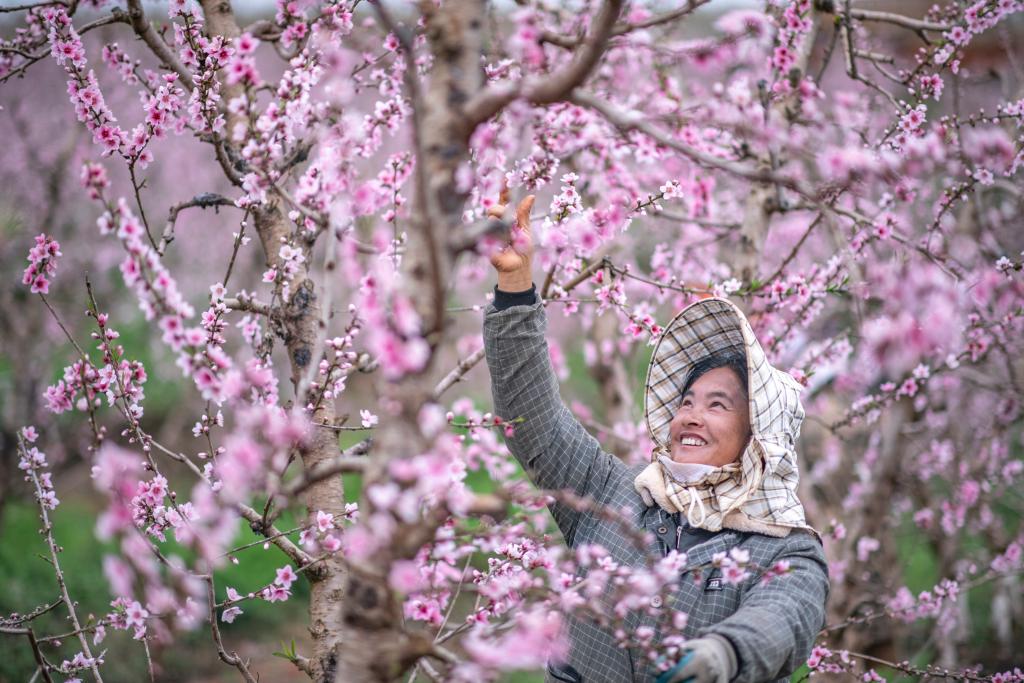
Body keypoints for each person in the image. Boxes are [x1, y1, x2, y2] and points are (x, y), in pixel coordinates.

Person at [481, 192, 829, 683]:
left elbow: (784, 618)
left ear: (759, 434)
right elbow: (529, 414)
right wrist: (515, 287)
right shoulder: (610, 493)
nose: (690, 415)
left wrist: (723, 655)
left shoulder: (785, 550)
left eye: (717, 405)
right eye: (686, 401)